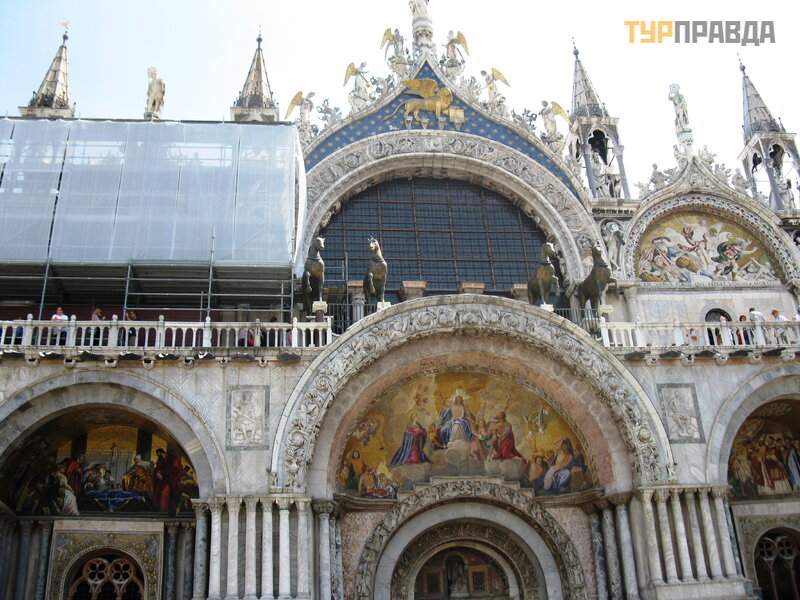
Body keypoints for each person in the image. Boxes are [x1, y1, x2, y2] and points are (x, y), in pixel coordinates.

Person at [153, 448, 183, 513]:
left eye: (159, 454)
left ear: (162, 453)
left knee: (164, 493)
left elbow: (176, 468)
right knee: (159, 492)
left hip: (171, 480)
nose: (159, 456)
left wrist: (169, 476)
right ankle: (162, 510)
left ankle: (165, 510)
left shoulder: (172, 458)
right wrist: (158, 473)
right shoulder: (160, 459)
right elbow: (158, 468)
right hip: (163, 480)